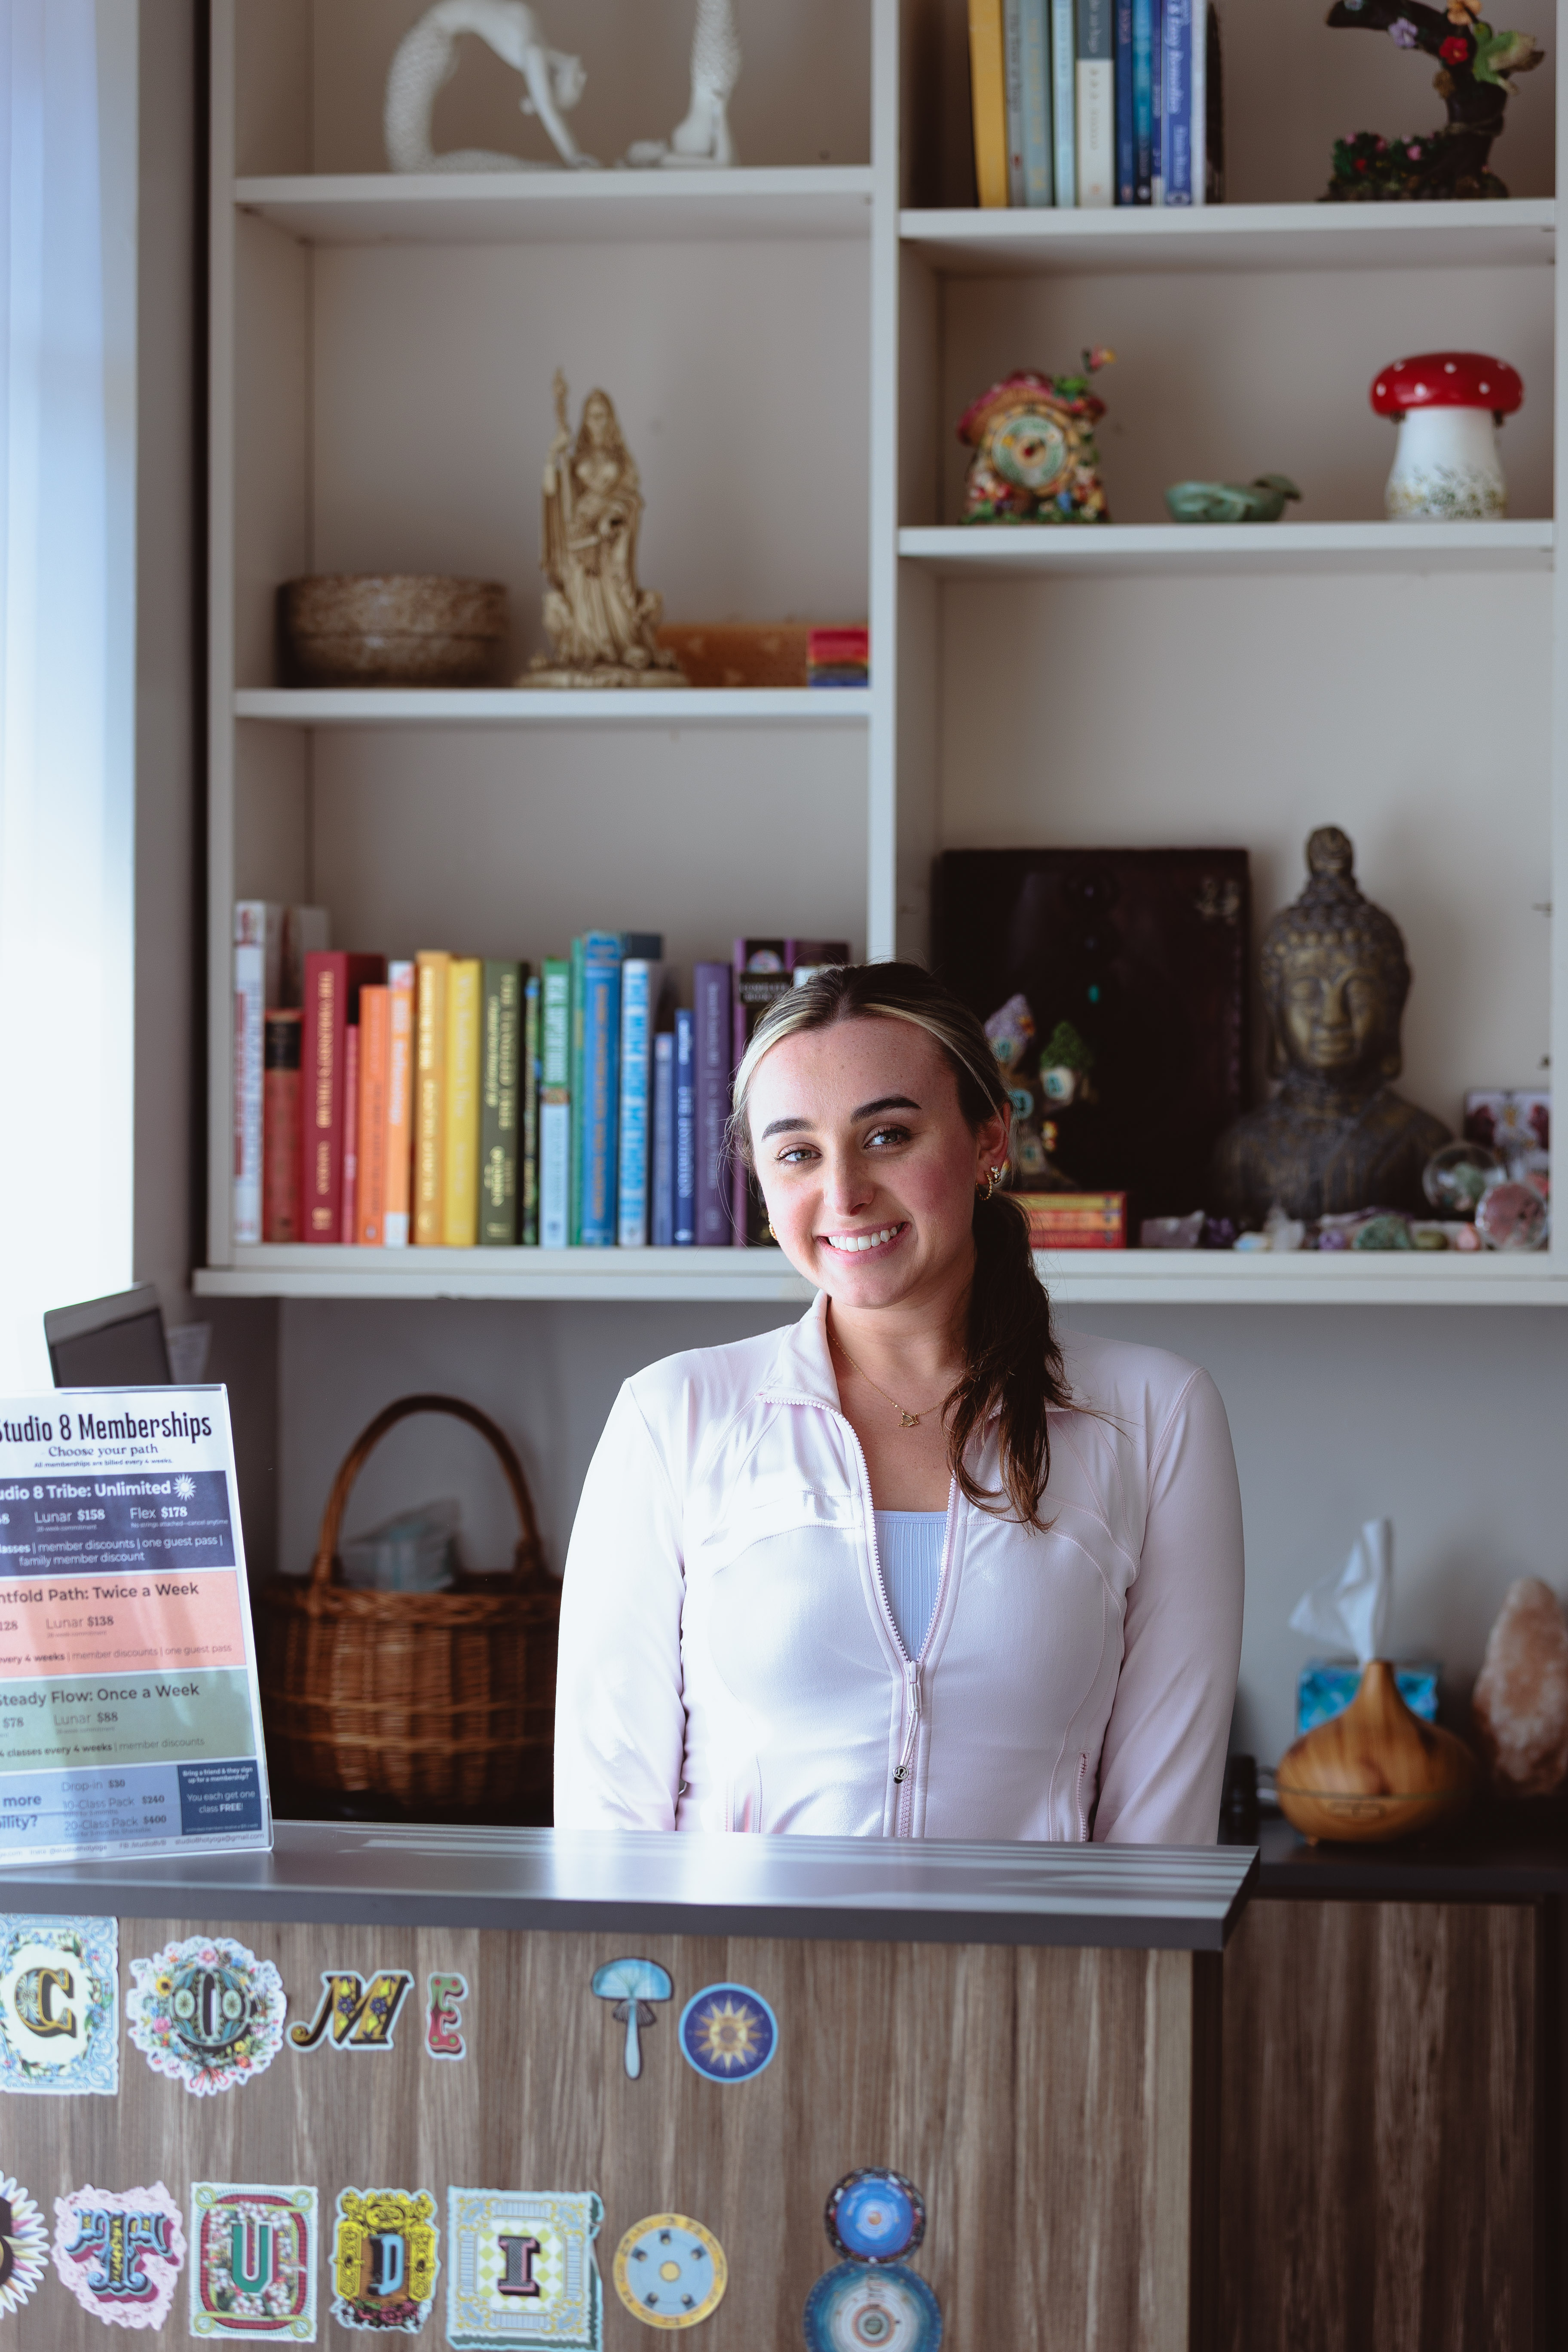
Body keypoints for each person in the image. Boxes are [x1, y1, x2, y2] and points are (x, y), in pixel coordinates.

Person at [554, 962, 1244, 1843]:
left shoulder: (1156, 1414)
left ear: (990, 1139)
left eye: (887, 1136)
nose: (843, 1193)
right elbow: (605, 1829)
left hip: (1040, 1978)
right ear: (764, 1187)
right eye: (798, 1152)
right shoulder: (672, 1416)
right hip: (736, 1980)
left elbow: (1162, 1836)